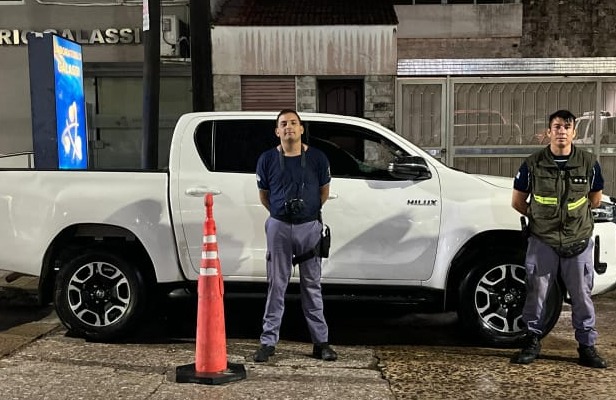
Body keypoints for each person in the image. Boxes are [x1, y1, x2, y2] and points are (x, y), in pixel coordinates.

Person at [511, 109, 607, 368]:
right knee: (536, 294)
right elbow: (518, 202)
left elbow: (595, 199)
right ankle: (531, 341)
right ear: (549, 132)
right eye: (557, 127)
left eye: (567, 127)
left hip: (578, 240)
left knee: (582, 296)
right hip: (543, 240)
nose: (562, 131)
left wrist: (573, 219)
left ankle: (587, 347)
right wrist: (541, 219)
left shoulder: (589, 163)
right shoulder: (532, 164)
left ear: (574, 132)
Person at [252, 109, 337, 363]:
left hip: (309, 227)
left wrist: (307, 213)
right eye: (283, 124)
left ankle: (321, 343)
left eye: (293, 123)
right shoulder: (267, 159)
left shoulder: (317, 158)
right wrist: (280, 214)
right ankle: (268, 342)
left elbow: (323, 192)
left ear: (301, 129)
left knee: (312, 285)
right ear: (277, 131)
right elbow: (264, 196)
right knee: (276, 285)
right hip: (279, 226)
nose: (288, 127)